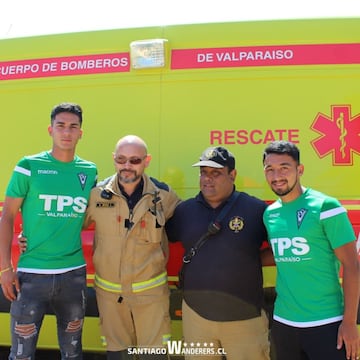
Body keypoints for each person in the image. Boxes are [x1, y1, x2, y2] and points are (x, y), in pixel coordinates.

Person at [0, 102, 98, 360]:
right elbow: (7, 216)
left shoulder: (90, 172)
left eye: (73, 127)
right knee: (21, 355)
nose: (67, 132)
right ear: (50, 130)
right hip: (31, 277)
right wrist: (4, 268)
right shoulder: (28, 166)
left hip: (73, 276)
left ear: (81, 133)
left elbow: (88, 218)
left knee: (73, 353)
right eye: (61, 126)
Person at [165, 146, 272, 360]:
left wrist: (254, 260)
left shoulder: (255, 209)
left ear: (232, 175)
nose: (207, 179)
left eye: (216, 173)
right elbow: (157, 242)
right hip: (197, 319)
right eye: (203, 172)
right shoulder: (184, 212)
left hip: (245, 319)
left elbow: (281, 248)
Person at [83, 135, 181, 360]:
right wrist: (28, 237)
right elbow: (67, 224)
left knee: (153, 356)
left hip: (151, 297)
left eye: (135, 160)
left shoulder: (163, 195)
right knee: (119, 355)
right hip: (110, 298)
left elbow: (190, 226)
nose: (127, 166)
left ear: (147, 161)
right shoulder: (96, 194)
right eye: (121, 159)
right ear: (114, 159)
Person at [262, 140, 360, 360]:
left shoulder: (327, 207)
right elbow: (281, 255)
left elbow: (352, 266)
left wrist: (350, 323)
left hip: (326, 323)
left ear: (300, 169)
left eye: (284, 168)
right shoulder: (270, 214)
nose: (277, 175)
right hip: (284, 323)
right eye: (270, 169)